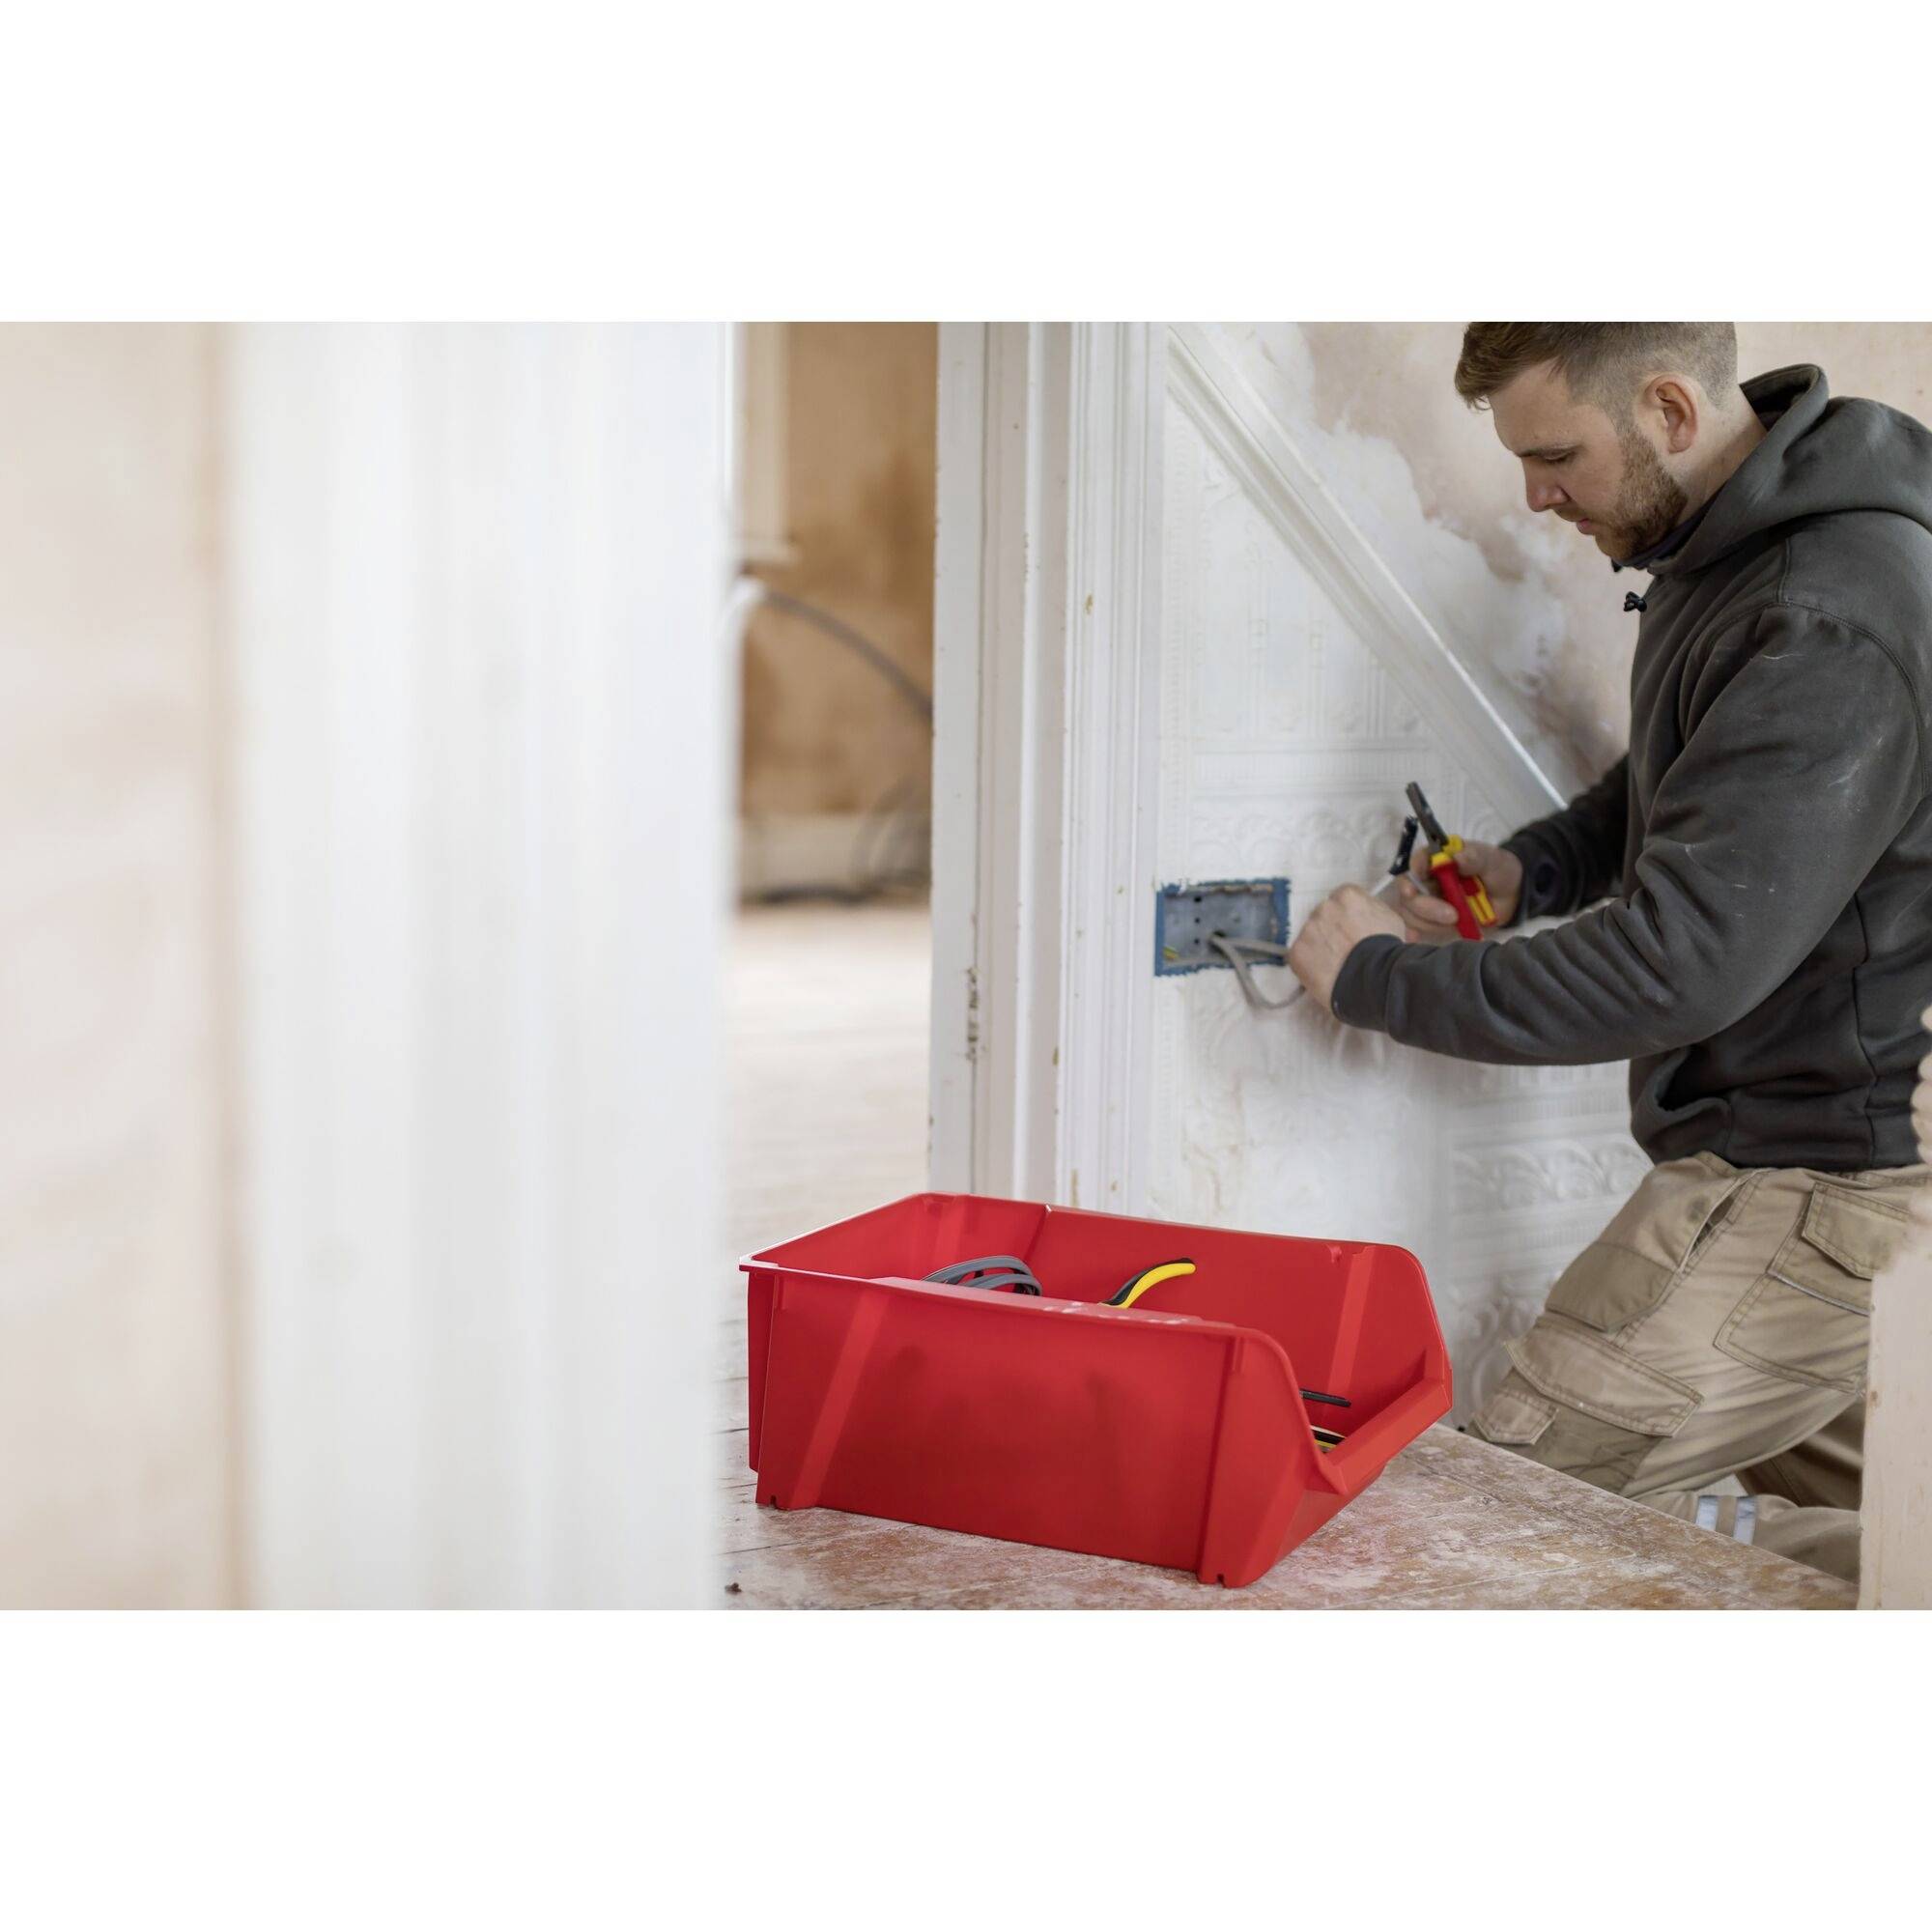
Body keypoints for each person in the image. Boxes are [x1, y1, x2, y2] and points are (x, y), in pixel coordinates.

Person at [1286, 323, 1932, 1583]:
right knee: (1896, 1552)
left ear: (1673, 412)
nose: (1534, 493)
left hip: (1810, 1188)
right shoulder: (1727, 547)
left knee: (1482, 1517)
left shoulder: (1826, 610)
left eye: (1556, 455)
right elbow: (1691, 774)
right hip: (1802, 1158)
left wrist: (1375, 977)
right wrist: (1538, 868)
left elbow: (1675, 965)